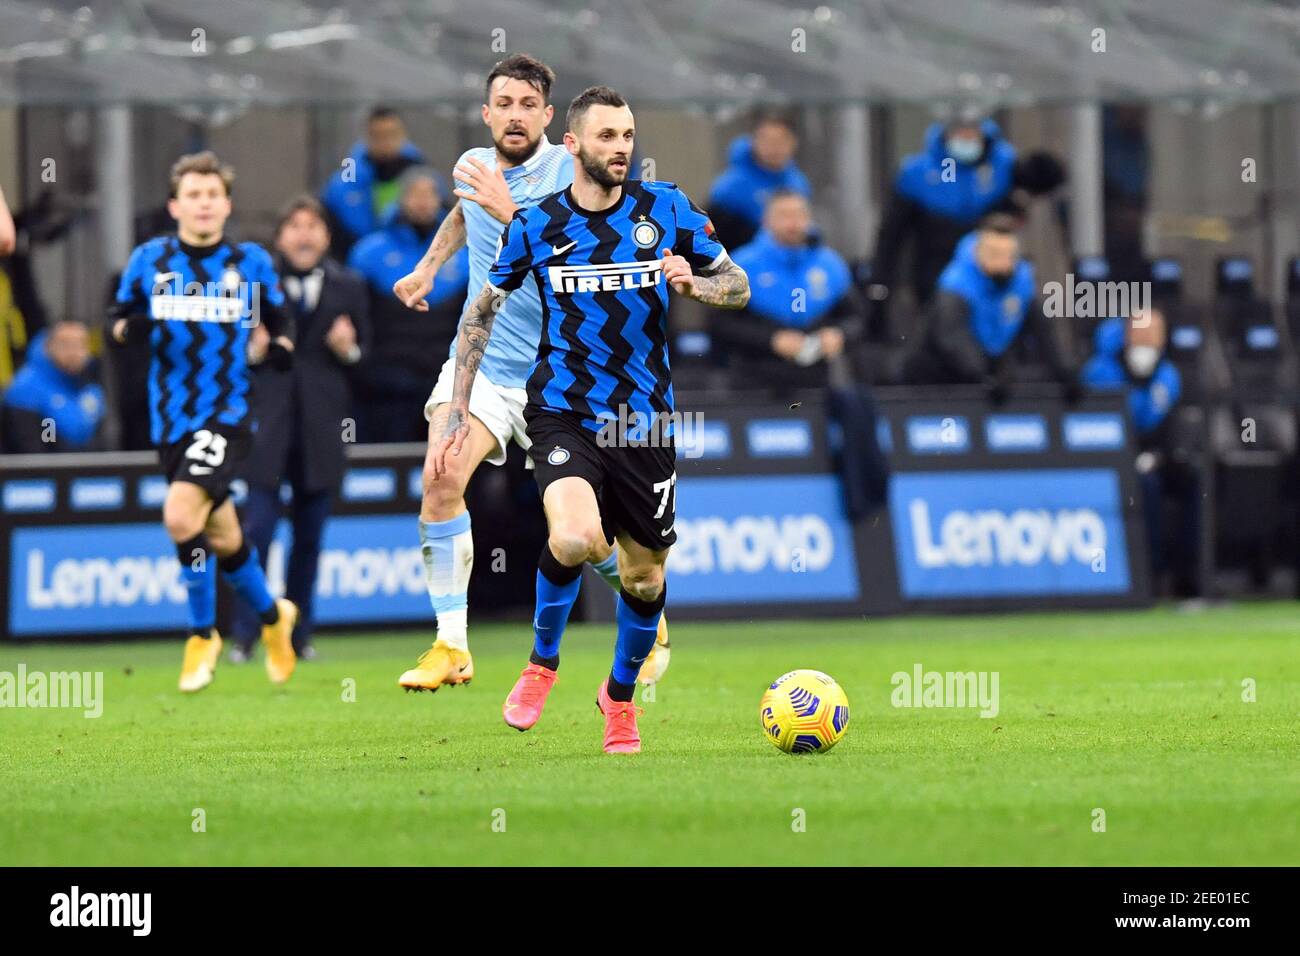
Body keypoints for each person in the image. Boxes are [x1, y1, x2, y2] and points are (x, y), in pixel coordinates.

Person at [430, 86, 750, 753]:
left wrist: (696, 284)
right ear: (572, 145)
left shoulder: (666, 210)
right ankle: (542, 663)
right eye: (607, 137)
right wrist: (460, 404)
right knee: (574, 537)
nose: (622, 148)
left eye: (628, 135)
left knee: (644, 576)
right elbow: (483, 311)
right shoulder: (538, 224)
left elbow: (738, 286)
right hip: (563, 410)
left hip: (644, 423)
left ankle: (619, 697)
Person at [390, 54, 671, 694]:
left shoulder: (569, 172)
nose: (515, 116)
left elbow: (564, 241)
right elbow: (466, 214)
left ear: (548, 117)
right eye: (504, 104)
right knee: (439, 477)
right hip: (486, 363)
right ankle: (450, 645)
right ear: (487, 113)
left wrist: (505, 203)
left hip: (563, 372)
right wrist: (430, 268)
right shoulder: (472, 167)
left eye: (528, 105)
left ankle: (645, 608)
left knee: (583, 537)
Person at [107, 151, 298, 693]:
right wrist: (131, 331)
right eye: (193, 194)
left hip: (229, 413)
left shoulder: (251, 263)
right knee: (220, 533)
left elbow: (282, 327)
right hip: (169, 419)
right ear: (175, 205)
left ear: (227, 204)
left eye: (213, 194)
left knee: (178, 515)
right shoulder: (150, 260)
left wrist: (278, 349)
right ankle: (271, 618)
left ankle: (201, 634)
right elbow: (116, 322)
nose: (204, 203)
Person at [230, 195, 371, 663]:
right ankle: (246, 636)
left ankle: (299, 636)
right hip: (266, 432)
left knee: (309, 542)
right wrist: (252, 352)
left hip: (321, 431)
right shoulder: (254, 286)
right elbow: (229, 358)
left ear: (327, 236)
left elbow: (365, 353)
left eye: (313, 225)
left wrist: (347, 348)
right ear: (280, 236)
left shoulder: (349, 284)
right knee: (257, 535)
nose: (304, 234)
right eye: (295, 225)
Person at [711, 190, 888, 519]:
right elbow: (719, 326)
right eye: (785, 216)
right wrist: (772, 340)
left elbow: (858, 319)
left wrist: (840, 335)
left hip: (815, 387)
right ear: (767, 221)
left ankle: (864, 506)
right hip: (754, 386)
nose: (794, 224)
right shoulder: (741, 265)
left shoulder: (829, 266)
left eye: (799, 216)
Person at [348, 167, 468, 442]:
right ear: (400, 199)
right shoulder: (368, 253)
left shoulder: (466, 254)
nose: (423, 201)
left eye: (430, 194)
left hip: (447, 384)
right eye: (415, 194)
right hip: (387, 386)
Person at [1081, 307, 1195, 593]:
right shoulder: (1100, 372)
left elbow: (1171, 425)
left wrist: (1160, 456)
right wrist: (1129, 458)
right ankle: (1150, 575)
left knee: (1195, 478)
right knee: (1147, 485)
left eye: (1154, 336)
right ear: (1127, 335)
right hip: (1110, 459)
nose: (1148, 344)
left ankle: (1189, 575)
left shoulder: (1168, 375)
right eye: (1141, 335)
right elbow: (1095, 427)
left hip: (1154, 455)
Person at [907, 214, 1076, 398]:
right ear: (977, 251)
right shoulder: (955, 284)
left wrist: (1066, 372)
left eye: (1009, 255)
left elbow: (1045, 330)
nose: (1003, 263)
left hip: (990, 379)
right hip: (937, 381)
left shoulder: (1021, 282)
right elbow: (952, 339)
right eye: (995, 255)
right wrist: (984, 375)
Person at [869, 115, 1017, 313]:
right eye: (960, 134)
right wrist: (881, 285)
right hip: (932, 275)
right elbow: (891, 237)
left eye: (972, 135)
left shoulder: (1002, 168)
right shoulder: (918, 174)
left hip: (990, 276)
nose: (967, 141)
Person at [320, 106, 429, 257]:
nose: (386, 142)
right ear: (366, 137)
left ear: (403, 135)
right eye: (378, 136)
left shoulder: (423, 175)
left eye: (392, 134)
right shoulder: (345, 183)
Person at [707, 111, 811, 250]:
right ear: (754, 142)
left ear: (793, 143)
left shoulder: (798, 183)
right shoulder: (730, 188)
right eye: (767, 140)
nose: (774, 148)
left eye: (781, 140)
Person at [1, 319, 105, 453]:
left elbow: (101, 443)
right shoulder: (27, 390)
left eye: (80, 345)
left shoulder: (92, 389)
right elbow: (40, 451)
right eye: (65, 345)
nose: (74, 353)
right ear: (48, 346)